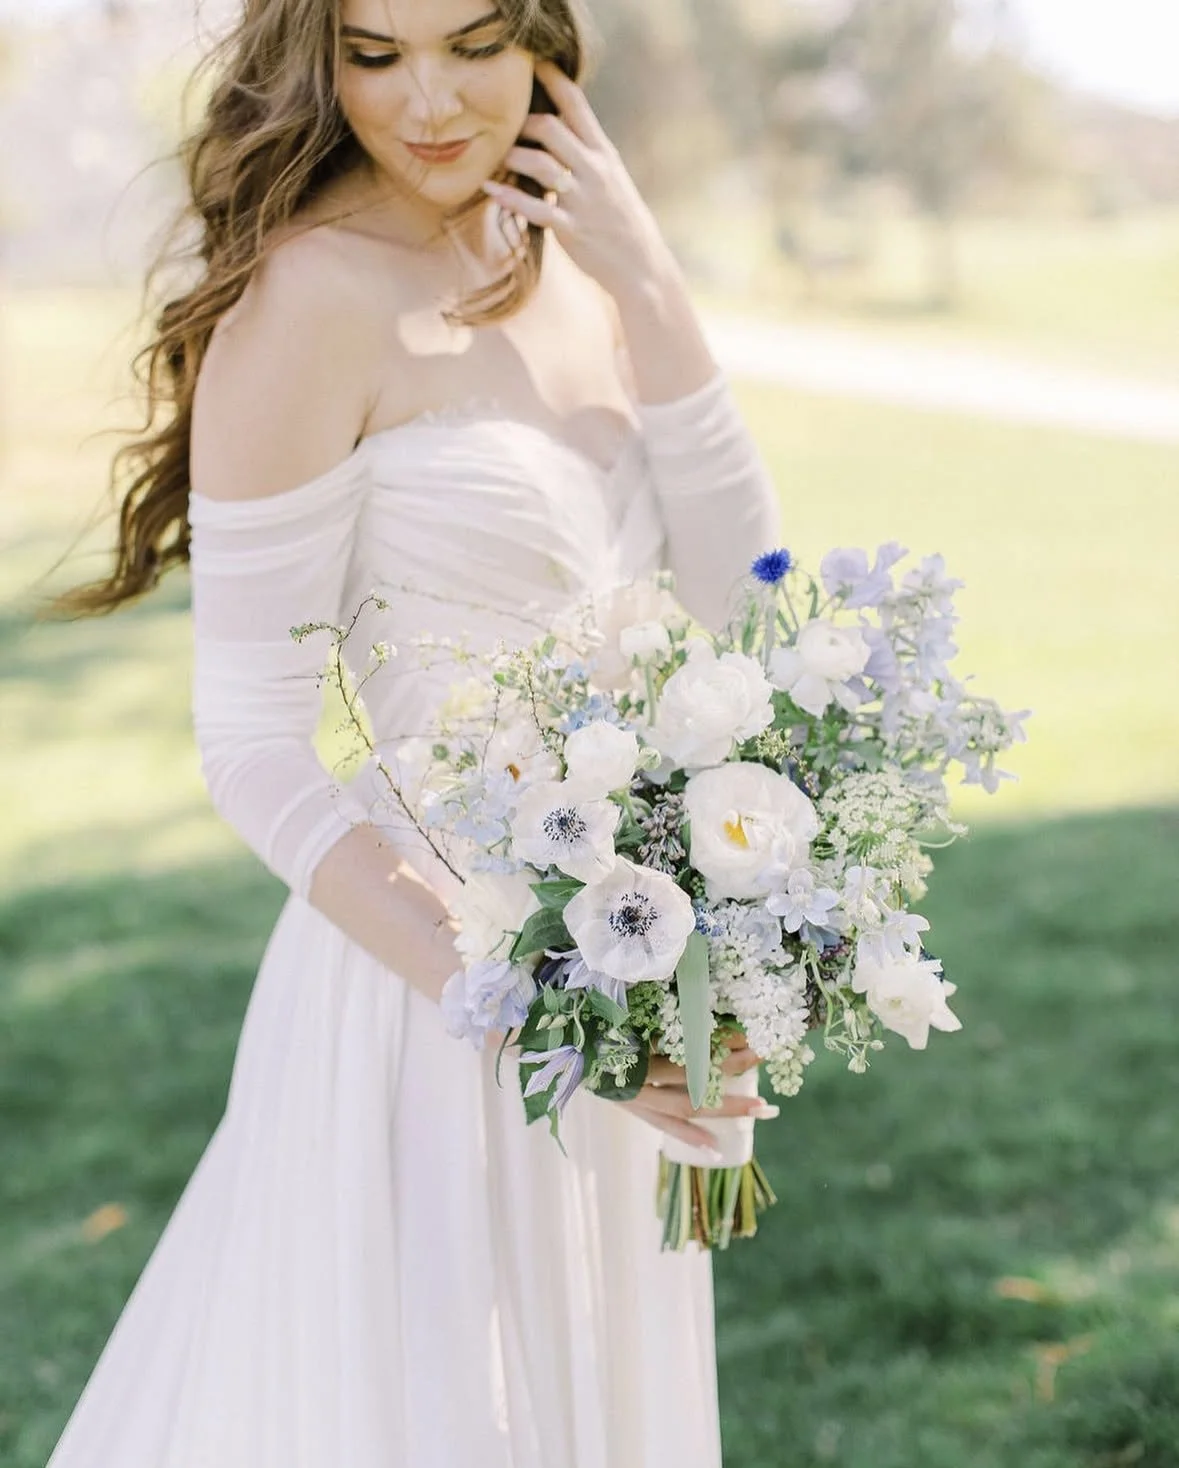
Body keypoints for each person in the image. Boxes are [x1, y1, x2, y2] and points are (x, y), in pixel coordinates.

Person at [45, 1, 780, 1463]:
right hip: (426, 988)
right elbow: (250, 744)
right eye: (374, 54)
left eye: (473, 45)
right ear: (315, 60)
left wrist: (647, 275)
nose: (428, 102)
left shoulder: (580, 268)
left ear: (547, 47)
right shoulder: (311, 295)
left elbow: (746, 609)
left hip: (631, 967)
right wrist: (520, 995)